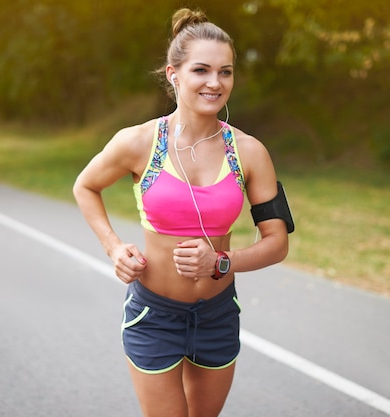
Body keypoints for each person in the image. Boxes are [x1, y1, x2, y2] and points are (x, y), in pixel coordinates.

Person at [73, 8, 293, 417]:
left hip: (217, 313)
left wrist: (221, 262)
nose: (215, 82)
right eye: (201, 70)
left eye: (225, 72)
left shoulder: (249, 152)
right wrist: (113, 247)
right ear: (174, 74)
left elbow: (277, 242)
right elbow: (85, 186)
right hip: (154, 313)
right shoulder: (138, 142)